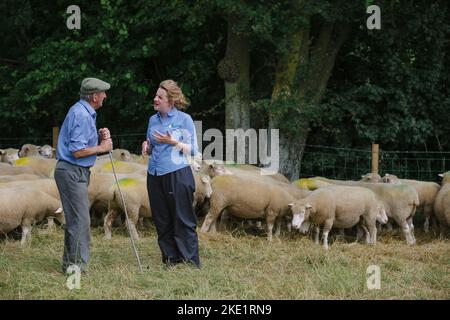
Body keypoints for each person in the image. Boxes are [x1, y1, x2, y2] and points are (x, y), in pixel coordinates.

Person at [55, 77, 113, 273]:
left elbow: (79, 144)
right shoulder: (81, 114)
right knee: (80, 221)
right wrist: (102, 147)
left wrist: (97, 136)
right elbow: (77, 151)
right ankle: (77, 268)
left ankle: (70, 265)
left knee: (76, 220)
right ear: (94, 96)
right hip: (72, 171)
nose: (105, 96)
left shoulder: (84, 112)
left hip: (75, 171)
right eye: (103, 93)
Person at [142, 79, 200, 268]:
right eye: (156, 95)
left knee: (182, 219)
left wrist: (173, 142)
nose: (155, 99)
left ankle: (189, 262)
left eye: (160, 97)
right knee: (161, 219)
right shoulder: (152, 119)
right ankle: (170, 260)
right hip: (155, 174)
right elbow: (151, 147)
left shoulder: (184, 120)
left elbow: (194, 150)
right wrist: (147, 146)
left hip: (178, 173)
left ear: (171, 101)